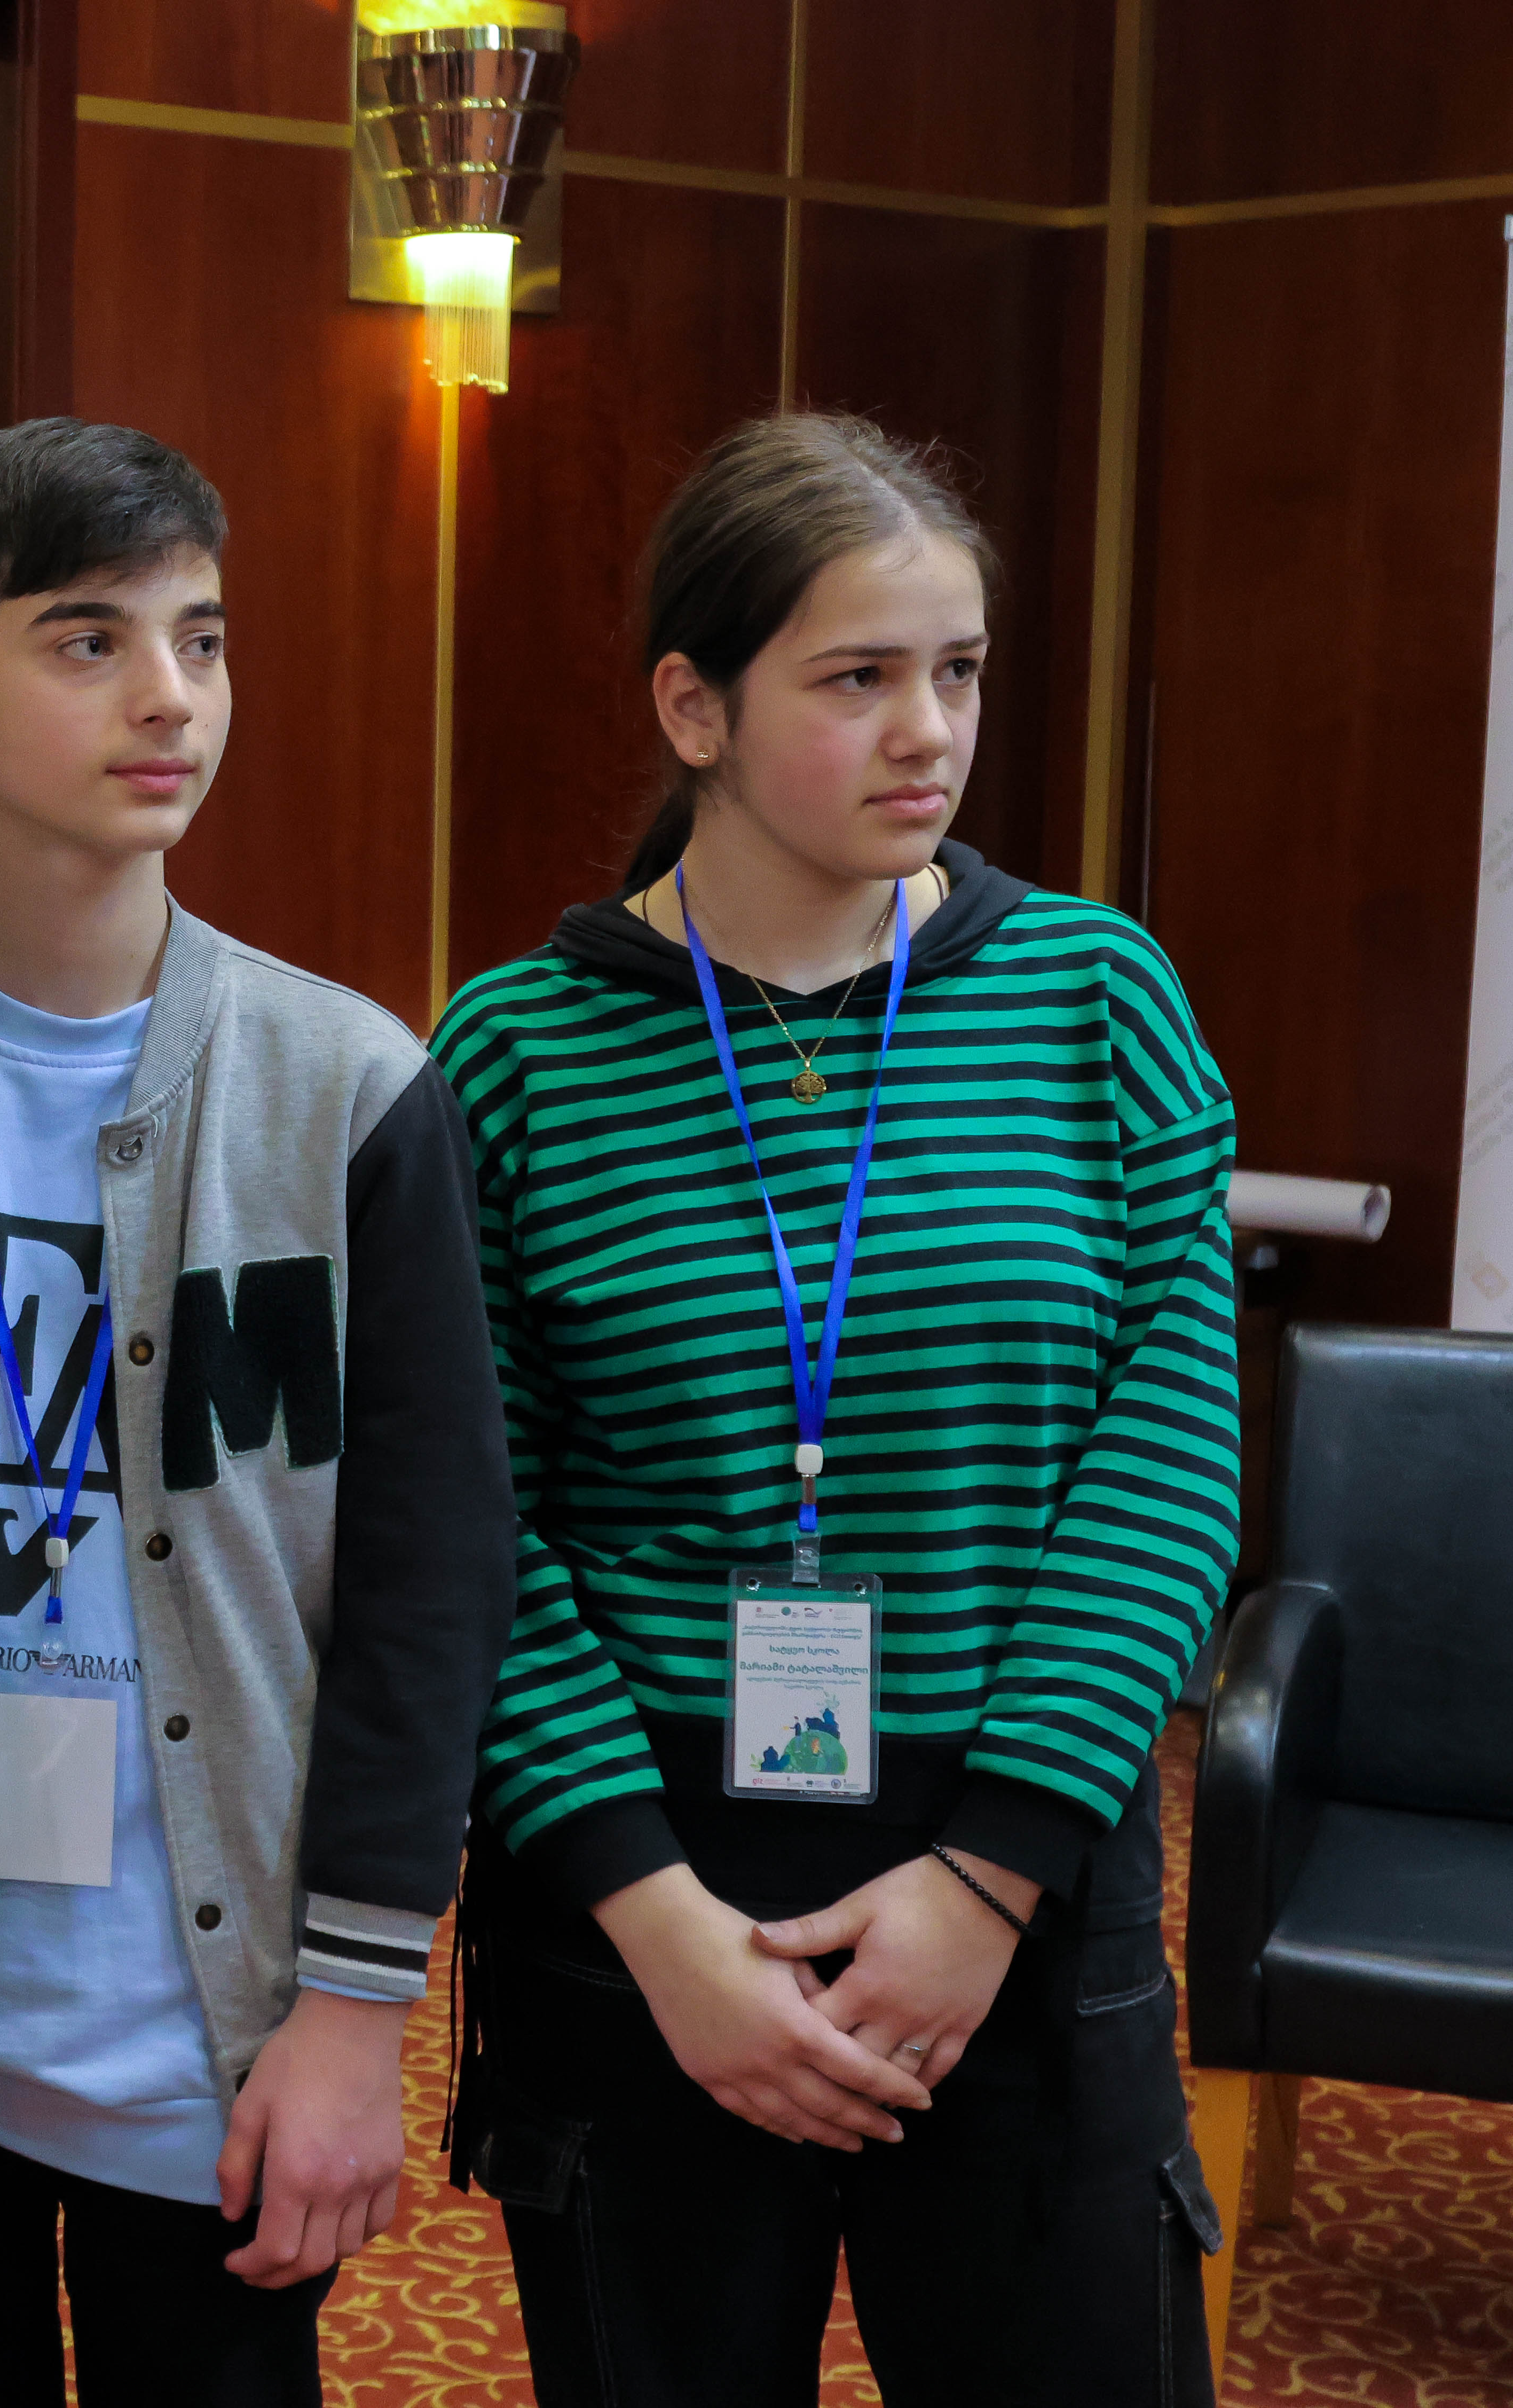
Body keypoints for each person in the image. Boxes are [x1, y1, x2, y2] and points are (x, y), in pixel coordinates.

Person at [431, 413, 1240, 2406]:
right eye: (857, 677)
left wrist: (985, 1882)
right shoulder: (516, 1054)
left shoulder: (1092, 1000)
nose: (926, 732)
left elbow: (1164, 1462)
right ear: (691, 708)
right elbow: (470, 1528)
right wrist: (659, 1923)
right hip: (641, 1890)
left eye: (956, 671)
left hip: (1017, 1866)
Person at [0, 417, 521, 2406]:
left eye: (200, 636)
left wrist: (356, 2012)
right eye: (89, 641)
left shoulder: (350, 1088)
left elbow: (433, 1584)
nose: (168, 694)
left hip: (213, 2014)